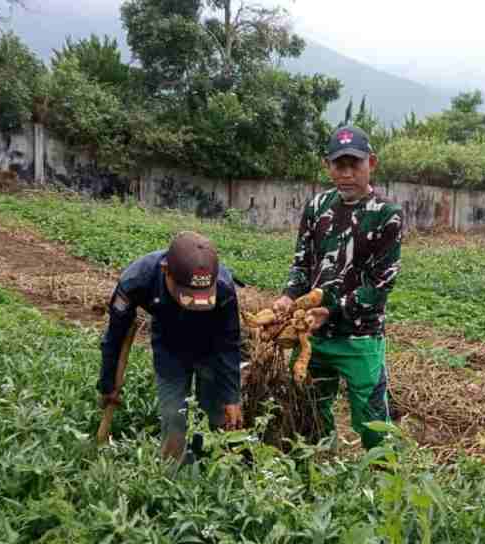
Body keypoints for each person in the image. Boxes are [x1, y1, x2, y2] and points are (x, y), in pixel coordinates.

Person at [273, 125, 403, 450]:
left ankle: (384, 480)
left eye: (354, 165)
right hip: (313, 337)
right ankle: (321, 473)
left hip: (360, 336)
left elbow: (379, 286)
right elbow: (302, 262)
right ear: (326, 165)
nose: (346, 174)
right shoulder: (317, 207)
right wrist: (289, 296)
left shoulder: (387, 215)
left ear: (371, 163)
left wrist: (329, 310)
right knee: (310, 410)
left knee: (372, 420)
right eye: (338, 165)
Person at [97, 231, 244, 461]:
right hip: (169, 348)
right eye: (187, 296)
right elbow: (115, 336)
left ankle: (209, 471)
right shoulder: (137, 280)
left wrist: (232, 396)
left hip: (211, 350)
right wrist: (108, 383)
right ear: (166, 271)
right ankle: (171, 478)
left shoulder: (223, 287)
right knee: (174, 418)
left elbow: (229, 343)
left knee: (217, 419)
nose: (195, 303)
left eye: (203, 298)